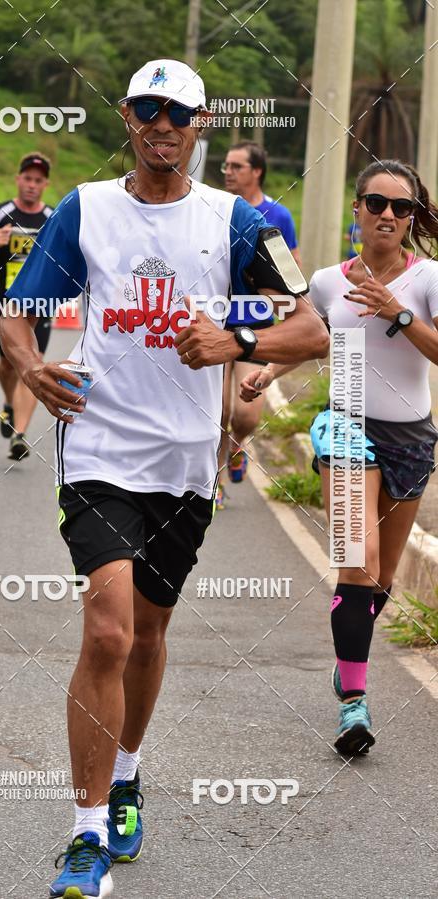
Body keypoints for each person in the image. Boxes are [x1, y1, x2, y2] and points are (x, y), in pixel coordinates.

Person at [0, 58, 328, 898]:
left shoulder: (240, 221)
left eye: (178, 112)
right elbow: (15, 312)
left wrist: (237, 345)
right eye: (147, 109)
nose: (162, 125)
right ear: (127, 116)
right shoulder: (85, 208)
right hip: (100, 445)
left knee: (147, 634)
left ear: (201, 123)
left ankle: (131, 772)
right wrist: (32, 369)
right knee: (106, 631)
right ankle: (85, 832)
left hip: (187, 459)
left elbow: (311, 326)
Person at [241, 159, 438, 756]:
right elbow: (315, 338)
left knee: (379, 579)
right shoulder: (326, 281)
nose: (386, 215)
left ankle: (348, 655)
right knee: (358, 559)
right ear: (356, 209)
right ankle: (354, 704)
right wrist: (268, 371)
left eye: (400, 208)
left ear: (410, 219)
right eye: (376, 203)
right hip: (346, 427)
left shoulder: (428, 279)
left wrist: (398, 314)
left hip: (412, 438)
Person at [216, 141, 302, 509]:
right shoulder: (213, 209)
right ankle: (214, 482)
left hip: (257, 328)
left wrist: (293, 317)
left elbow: (291, 269)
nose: (229, 172)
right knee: (216, 410)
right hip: (216, 322)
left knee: (246, 415)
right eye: (226, 166)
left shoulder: (277, 215)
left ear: (257, 172)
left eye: (237, 166)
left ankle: (238, 446)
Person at [0, 153, 53, 461]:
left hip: (40, 304)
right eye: (27, 179)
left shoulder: (51, 217)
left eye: (38, 180)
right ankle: (9, 404)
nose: (32, 185)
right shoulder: (0, 213)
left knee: (34, 361)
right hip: (4, 303)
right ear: (19, 180)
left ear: (45, 184)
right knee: (8, 364)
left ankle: (19, 434)